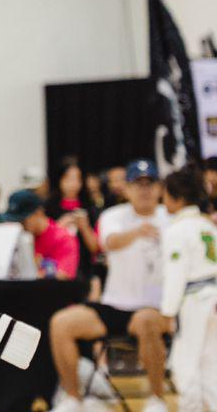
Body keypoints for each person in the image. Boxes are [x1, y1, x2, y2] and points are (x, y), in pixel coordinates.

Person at [49, 158, 170, 412]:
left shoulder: (170, 218)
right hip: (115, 304)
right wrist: (138, 231)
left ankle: (156, 398)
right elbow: (108, 243)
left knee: (147, 321)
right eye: (138, 184)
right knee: (61, 323)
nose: (145, 189)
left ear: (160, 188)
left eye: (150, 183)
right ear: (126, 188)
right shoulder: (113, 215)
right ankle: (73, 398)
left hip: (155, 307)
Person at [156, 168, 217, 410]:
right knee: (211, 364)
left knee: (186, 364)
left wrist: (167, 312)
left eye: (166, 195)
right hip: (212, 298)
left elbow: (176, 275)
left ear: (178, 198)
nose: (163, 200)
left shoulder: (178, 230)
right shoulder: (207, 226)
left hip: (194, 301)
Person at [4, 189, 80, 278]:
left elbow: (63, 276)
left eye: (23, 221)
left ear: (38, 213)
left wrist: (34, 272)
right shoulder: (17, 238)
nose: (20, 225)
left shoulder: (63, 238)